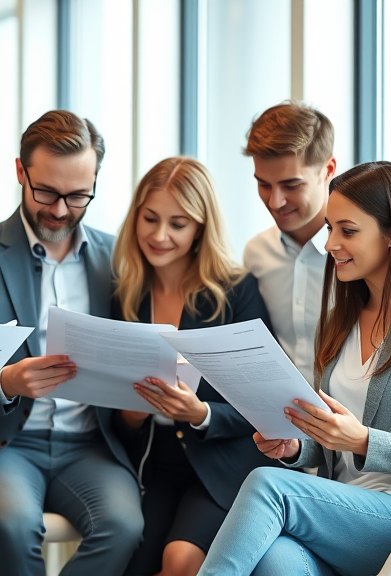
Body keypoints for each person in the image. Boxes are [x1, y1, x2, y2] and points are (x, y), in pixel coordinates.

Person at [196, 161, 391, 576]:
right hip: (345, 511)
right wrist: (297, 447)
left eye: (347, 230)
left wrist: (365, 440)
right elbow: (333, 439)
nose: (331, 243)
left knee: (268, 485)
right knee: (277, 563)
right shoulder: (341, 317)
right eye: (330, 227)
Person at [0, 110, 144, 576]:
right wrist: (8, 381)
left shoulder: (120, 258)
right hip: (5, 443)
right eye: (46, 192)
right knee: (11, 527)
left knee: (123, 527)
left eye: (78, 196)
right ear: (20, 171)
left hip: (91, 444)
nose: (58, 210)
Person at [110, 157, 280, 576]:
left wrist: (201, 414)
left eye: (178, 224)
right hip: (156, 462)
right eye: (149, 218)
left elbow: (265, 400)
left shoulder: (236, 291)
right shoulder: (126, 294)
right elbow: (114, 411)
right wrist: (129, 415)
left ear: (201, 228)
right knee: (128, 556)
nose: (159, 235)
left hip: (222, 461)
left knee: (181, 559)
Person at [242, 102, 337, 385]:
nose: (275, 202)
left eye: (291, 186)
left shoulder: (362, 254)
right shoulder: (256, 254)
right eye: (264, 184)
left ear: (328, 169)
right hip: (278, 426)